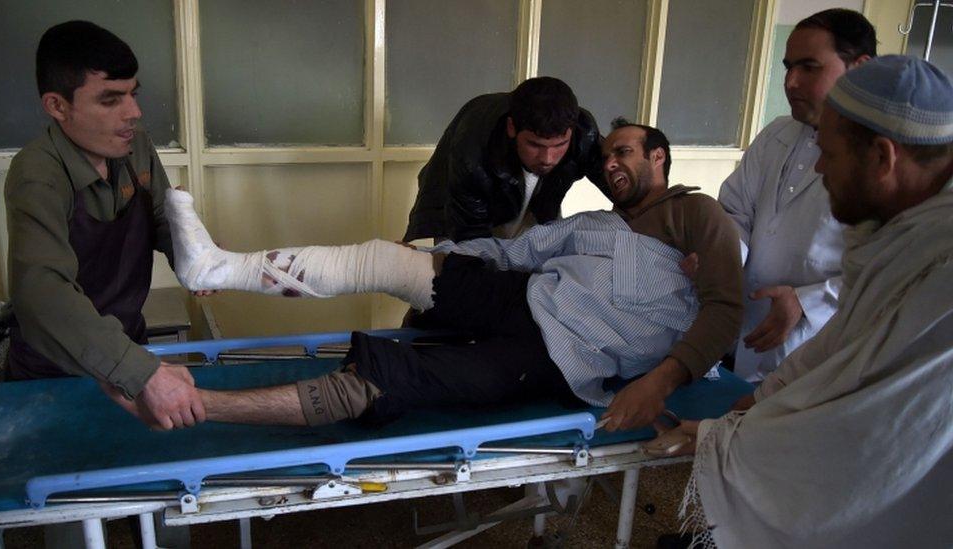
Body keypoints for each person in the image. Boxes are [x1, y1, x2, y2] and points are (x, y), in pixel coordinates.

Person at [141, 121, 742, 431]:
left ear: (659, 156)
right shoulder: (592, 223)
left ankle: (202, 406)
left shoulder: (696, 213)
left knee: (383, 386)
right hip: (524, 295)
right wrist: (438, 254)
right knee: (388, 259)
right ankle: (214, 264)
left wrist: (659, 383)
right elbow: (517, 250)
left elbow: (724, 310)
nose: (610, 163)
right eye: (606, 155)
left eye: (626, 153)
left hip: (565, 355)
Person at [661, 56, 953, 548]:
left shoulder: (940, 272)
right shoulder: (898, 230)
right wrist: (756, 400)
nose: (818, 168)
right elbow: (845, 339)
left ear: (883, 158)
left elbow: (870, 435)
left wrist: (725, 440)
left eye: (830, 155)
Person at [0, 21, 205, 430]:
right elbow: (42, 293)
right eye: (111, 100)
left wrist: (199, 256)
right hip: (54, 371)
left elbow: (163, 219)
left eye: (133, 94)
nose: (134, 113)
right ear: (57, 106)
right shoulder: (38, 173)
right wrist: (142, 372)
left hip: (126, 345)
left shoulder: (135, 146)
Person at [718, 9, 876, 382]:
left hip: (815, 346)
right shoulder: (776, 135)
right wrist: (721, 255)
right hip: (740, 329)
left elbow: (885, 268)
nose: (790, 82)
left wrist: (807, 302)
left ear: (859, 68)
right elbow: (735, 210)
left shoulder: (880, 161)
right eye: (789, 67)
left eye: (809, 67)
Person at [402, 77, 606, 243]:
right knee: (459, 277)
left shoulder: (584, 133)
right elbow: (471, 242)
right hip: (459, 209)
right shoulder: (472, 152)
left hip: (532, 205)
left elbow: (622, 187)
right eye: (535, 145)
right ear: (511, 128)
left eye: (560, 145)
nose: (547, 158)